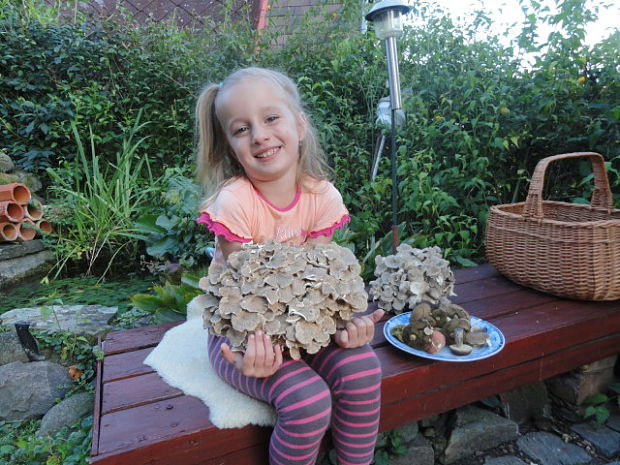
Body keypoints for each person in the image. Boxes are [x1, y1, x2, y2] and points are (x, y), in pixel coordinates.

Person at [195, 67, 384, 465]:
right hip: (241, 339)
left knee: (364, 368)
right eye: (241, 129)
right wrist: (251, 355)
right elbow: (248, 299)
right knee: (308, 400)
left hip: (303, 325)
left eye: (270, 118)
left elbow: (322, 287)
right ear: (230, 147)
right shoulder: (235, 202)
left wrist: (348, 325)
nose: (260, 135)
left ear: (299, 126)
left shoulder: (322, 197)